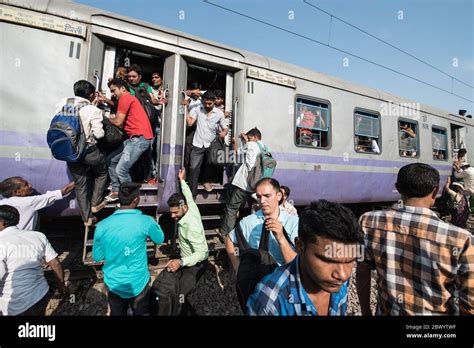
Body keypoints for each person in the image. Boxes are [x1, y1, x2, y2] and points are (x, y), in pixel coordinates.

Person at [356, 163, 474, 315]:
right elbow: (469, 303)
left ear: (397, 188)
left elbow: (362, 271)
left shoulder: (367, 222)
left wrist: (366, 311)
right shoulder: (461, 239)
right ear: (435, 191)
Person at [247, 200, 363, 316]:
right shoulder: (269, 304)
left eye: (350, 261)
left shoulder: (337, 279)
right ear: (300, 246)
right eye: (328, 261)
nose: (343, 275)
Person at [92, 182, 164, 316]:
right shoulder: (145, 221)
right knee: (141, 312)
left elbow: (97, 257)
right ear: (136, 199)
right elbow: (160, 239)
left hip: (113, 284)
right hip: (138, 283)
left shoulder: (102, 225)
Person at [152, 168, 209, 315]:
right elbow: (188, 195)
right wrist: (182, 180)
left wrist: (181, 262)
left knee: (179, 295)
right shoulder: (190, 206)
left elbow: (203, 253)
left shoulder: (192, 227)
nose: (172, 216)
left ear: (183, 208)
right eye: (171, 212)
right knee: (179, 291)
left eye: (175, 212)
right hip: (186, 261)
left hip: (195, 264)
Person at [0, 205, 66, 315]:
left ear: (2, 222)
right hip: (40, 294)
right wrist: (61, 285)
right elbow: (55, 263)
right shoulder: (38, 236)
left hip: (15, 302)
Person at [225, 178, 299, 271]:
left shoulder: (293, 222)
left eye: (267, 196)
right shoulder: (248, 222)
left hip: (284, 280)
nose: (262, 201)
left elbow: (296, 264)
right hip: (258, 280)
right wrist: (237, 265)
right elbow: (230, 239)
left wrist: (281, 238)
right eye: (259, 196)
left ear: (279, 196)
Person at [63, 80, 108, 226]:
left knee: (80, 184)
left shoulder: (64, 104)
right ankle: (96, 203)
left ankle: (87, 218)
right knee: (101, 173)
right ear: (90, 94)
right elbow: (99, 134)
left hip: (69, 151)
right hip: (88, 150)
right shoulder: (92, 110)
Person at [104, 78, 154, 203]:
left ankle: (130, 199)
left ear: (123, 88)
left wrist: (102, 116)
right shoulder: (127, 98)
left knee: (121, 170)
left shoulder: (125, 98)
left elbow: (118, 122)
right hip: (133, 139)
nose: (112, 94)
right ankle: (116, 191)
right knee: (111, 160)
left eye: (113, 90)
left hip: (139, 139)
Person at [220, 128, 265, 238]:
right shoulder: (264, 147)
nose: (248, 139)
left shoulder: (250, 145)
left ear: (254, 137)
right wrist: (246, 140)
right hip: (256, 184)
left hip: (244, 184)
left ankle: (225, 234)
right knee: (253, 209)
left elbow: (236, 152)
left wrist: (235, 143)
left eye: (250, 138)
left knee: (232, 208)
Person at [187, 90, 228, 197]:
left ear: (214, 101)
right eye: (205, 103)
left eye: (210, 103)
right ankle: (192, 196)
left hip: (211, 145)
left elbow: (225, 128)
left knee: (213, 163)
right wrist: (184, 108)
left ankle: (206, 180)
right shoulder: (197, 109)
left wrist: (223, 133)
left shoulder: (219, 113)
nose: (207, 105)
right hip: (198, 144)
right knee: (193, 168)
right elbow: (190, 122)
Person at [0, 177, 74, 230]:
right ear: (17, 192)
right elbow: (63, 191)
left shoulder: (1, 203)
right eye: (26, 185)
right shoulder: (30, 202)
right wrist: (80, 180)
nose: (30, 185)